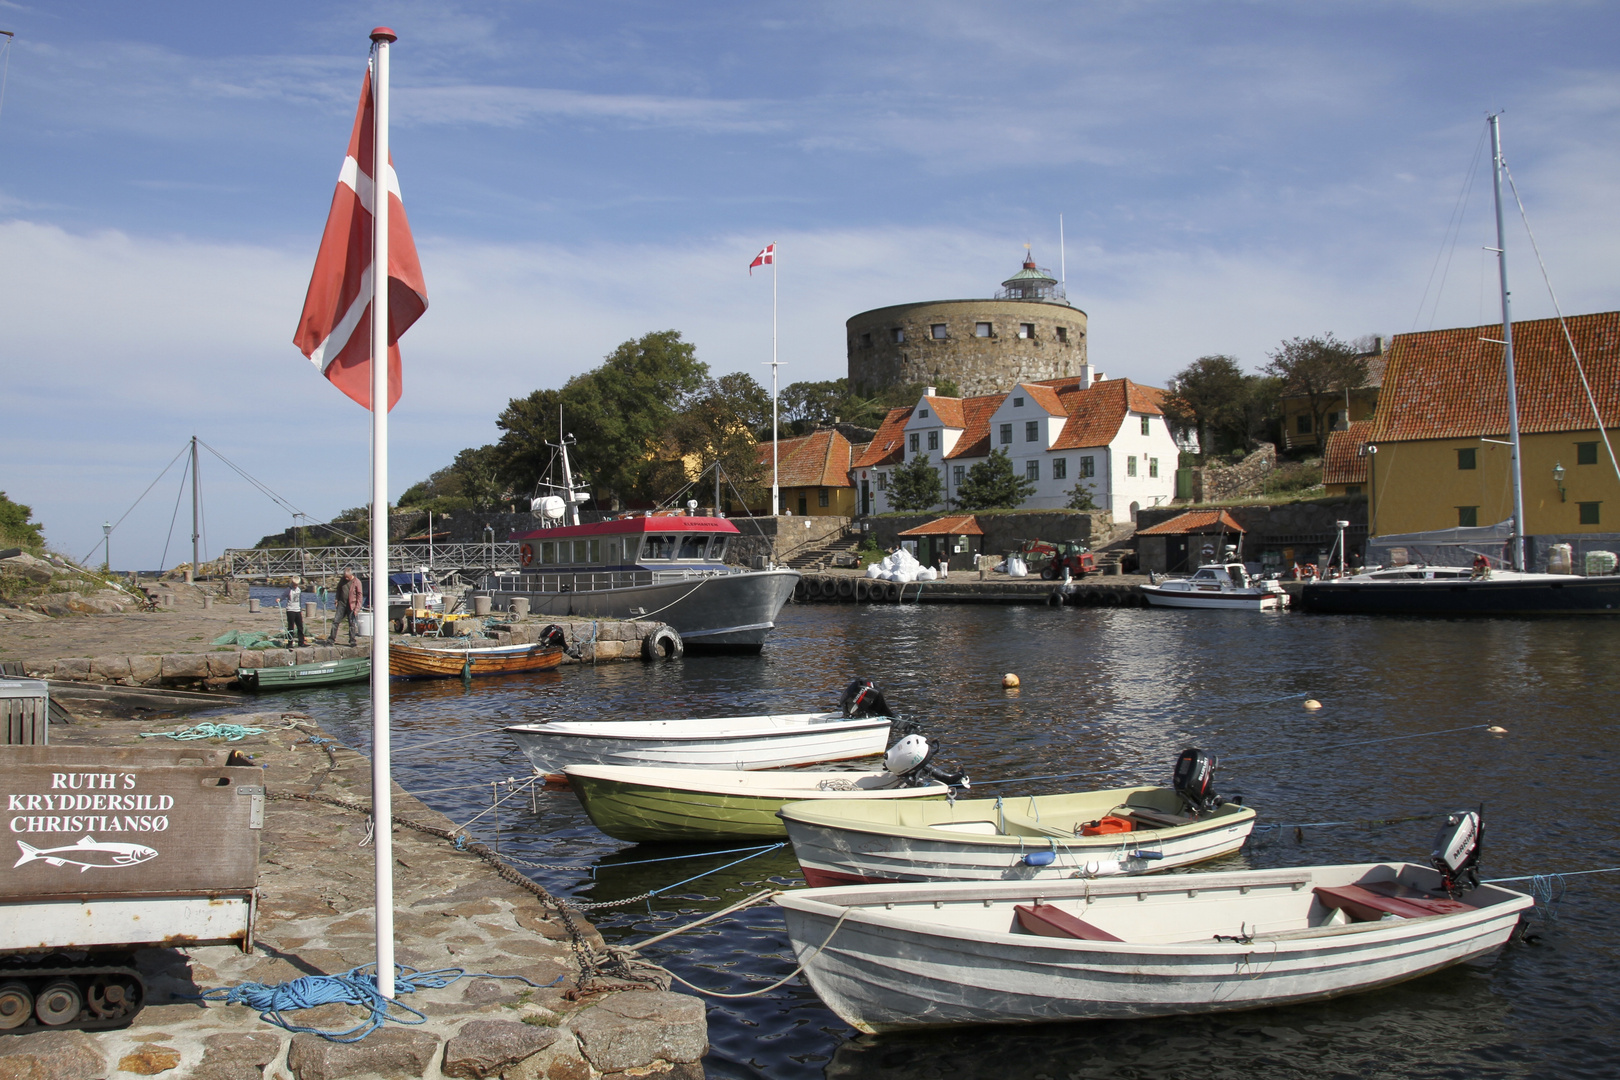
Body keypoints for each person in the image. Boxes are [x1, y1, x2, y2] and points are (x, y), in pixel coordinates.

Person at [329, 570, 363, 646]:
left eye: (347, 577)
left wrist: (357, 608)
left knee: (352, 623)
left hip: (352, 605)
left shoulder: (357, 582)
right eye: (345, 577)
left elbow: (359, 596)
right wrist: (336, 599)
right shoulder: (342, 580)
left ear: (351, 575)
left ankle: (352, 640)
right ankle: (331, 639)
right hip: (342, 604)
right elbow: (338, 590)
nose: (346, 579)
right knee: (336, 621)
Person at [284, 577, 308, 647]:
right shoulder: (289, 589)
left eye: (297, 584)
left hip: (297, 610)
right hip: (290, 610)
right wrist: (279, 599)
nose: (295, 586)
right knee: (291, 627)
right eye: (294, 584)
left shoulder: (299, 590)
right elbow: (283, 595)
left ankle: (301, 642)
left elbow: (299, 600)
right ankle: (290, 643)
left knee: (300, 627)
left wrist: (300, 609)